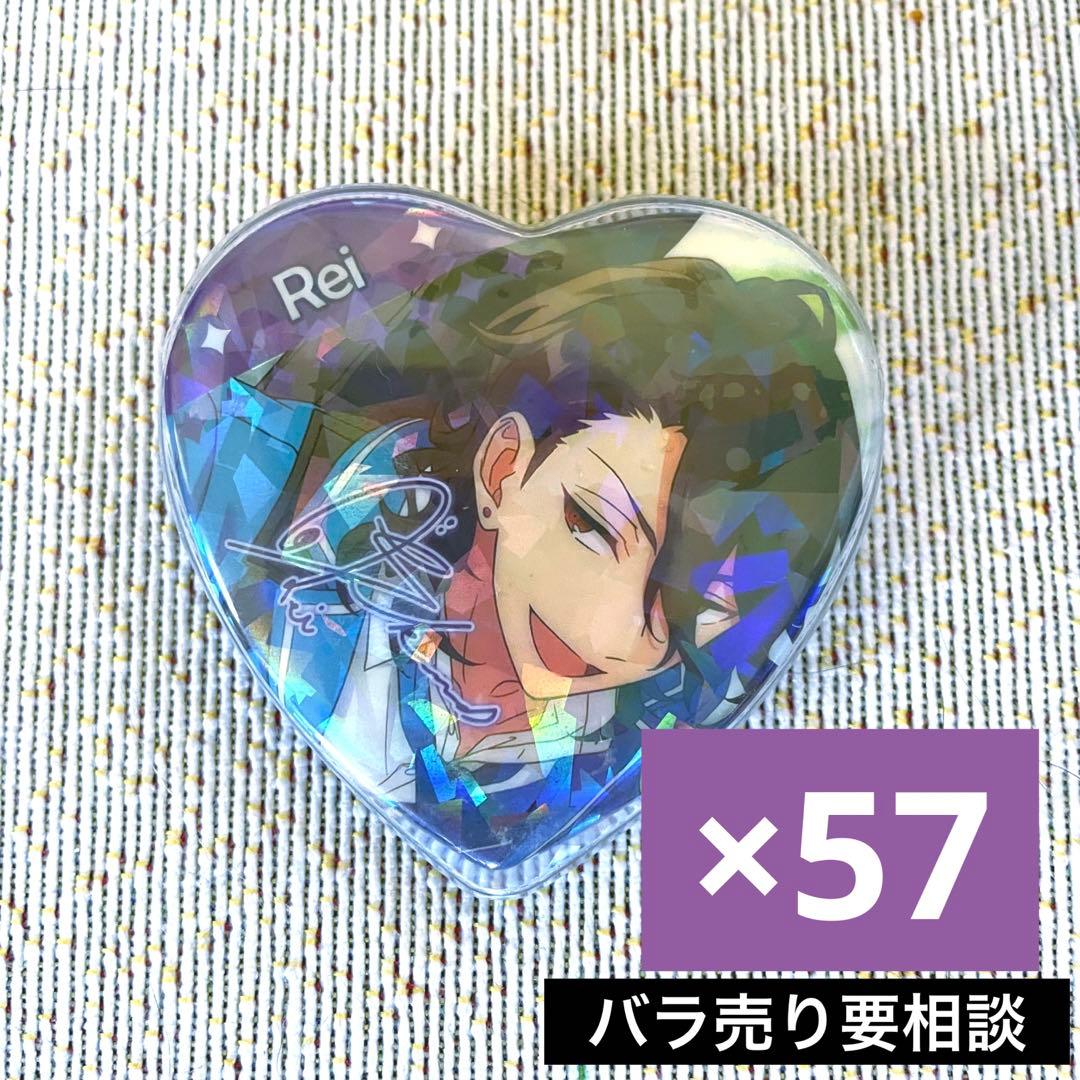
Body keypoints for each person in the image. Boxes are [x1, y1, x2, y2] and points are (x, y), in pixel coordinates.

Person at [173, 219, 862, 867]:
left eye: (681, 609)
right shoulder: (259, 465)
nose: (608, 633)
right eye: (593, 527)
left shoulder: (663, 716)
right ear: (504, 468)